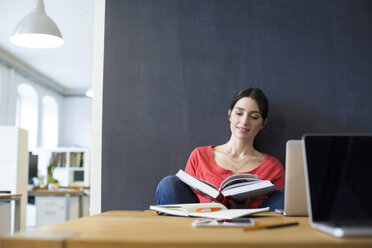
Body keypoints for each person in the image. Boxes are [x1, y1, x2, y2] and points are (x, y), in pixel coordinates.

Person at [156, 87, 285, 210]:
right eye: (239, 113)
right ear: (229, 115)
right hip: (203, 222)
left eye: (254, 117)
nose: (244, 121)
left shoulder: (273, 167)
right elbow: (187, 198)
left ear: (262, 123)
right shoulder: (200, 156)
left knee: (285, 196)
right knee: (168, 185)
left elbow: (277, 205)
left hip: (252, 225)